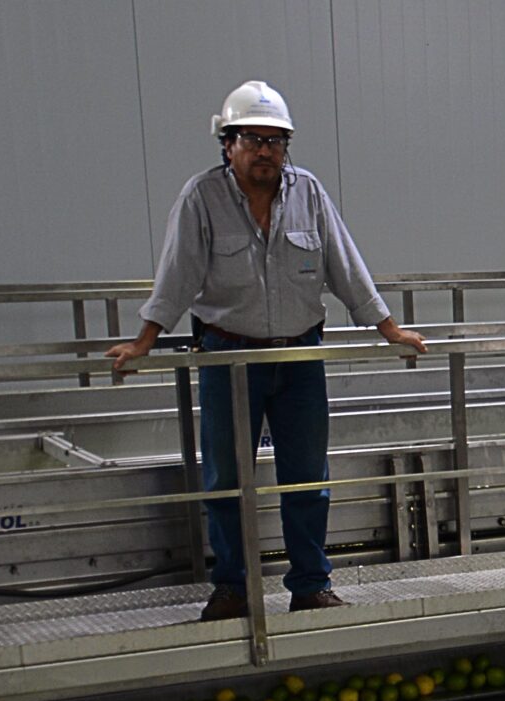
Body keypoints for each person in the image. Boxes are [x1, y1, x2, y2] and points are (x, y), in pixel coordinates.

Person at [107, 80, 425, 619]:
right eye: (252, 139)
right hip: (229, 359)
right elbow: (177, 276)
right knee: (227, 481)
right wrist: (144, 341)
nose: (264, 151)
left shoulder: (309, 193)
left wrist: (389, 330)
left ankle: (311, 586)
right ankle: (232, 589)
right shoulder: (202, 198)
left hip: (299, 358)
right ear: (227, 144)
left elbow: (345, 267)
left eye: (275, 141)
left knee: (307, 478)